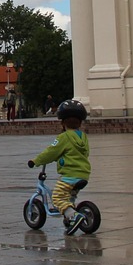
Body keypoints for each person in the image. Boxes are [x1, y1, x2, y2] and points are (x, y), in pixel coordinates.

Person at [27, 99, 92, 235]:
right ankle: (70, 217)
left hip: (70, 176)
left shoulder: (64, 137)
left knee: (57, 198)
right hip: (84, 175)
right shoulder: (83, 137)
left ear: (62, 122)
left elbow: (51, 152)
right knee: (69, 198)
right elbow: (78, 152)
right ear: (80, 122)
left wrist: (36, 161)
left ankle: (73, 216)